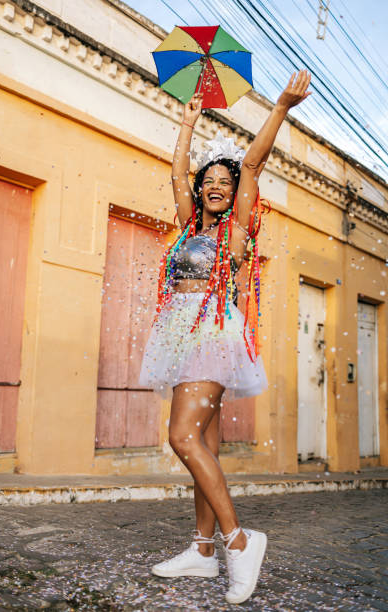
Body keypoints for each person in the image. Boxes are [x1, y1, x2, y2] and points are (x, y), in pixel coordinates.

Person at [139, 70, 311, 605]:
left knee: (183, 438)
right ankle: (202, 550)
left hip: (212, 329)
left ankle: (238, 538)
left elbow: (255, 161)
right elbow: (175, 177)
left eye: (225, 182)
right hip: (178, 330)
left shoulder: (238, 230)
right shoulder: (189, 225)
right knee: (206, 444)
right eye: (209, 180)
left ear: (236, 195)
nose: (216, 186)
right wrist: (186, 126)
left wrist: (281, 105)